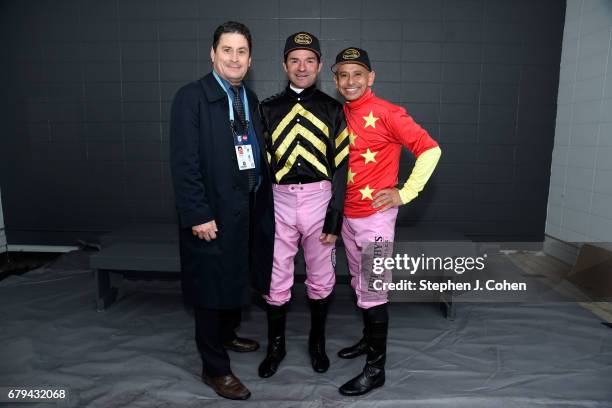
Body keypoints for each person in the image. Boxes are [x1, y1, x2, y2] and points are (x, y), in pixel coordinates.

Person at [169, 21, 274, 401]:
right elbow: (184, 163)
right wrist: (197, 213)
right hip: (210, 212)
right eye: (226, 50)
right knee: (210, 287)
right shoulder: (191, 97)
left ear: (250, 59)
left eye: (241, 51)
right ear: (212, 54)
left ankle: (226, 335)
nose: (234, 58)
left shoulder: (249, 97)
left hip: (245, 208)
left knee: (235, 275)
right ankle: (214, 368)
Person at [331, 47, 442, 396]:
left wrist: (404, 193)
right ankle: (367, 341)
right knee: (361, 284)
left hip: (376, 218)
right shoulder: (339, 114)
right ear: (335, 80)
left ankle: (375, 369)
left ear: (371, 77)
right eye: (343, 75)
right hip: (348, 216)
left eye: (358, 74)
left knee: (374, 288)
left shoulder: (387, 112)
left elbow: (431, 149)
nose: (351, 81)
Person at [258, 32, 349, 378]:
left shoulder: (333, 108)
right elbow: (262, 166)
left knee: (322, 276)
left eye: (309, 60)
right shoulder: (266, 109)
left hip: (319, 199)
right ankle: (275, 347)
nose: (302, 67)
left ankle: (317, 343)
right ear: (284, 65)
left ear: (320, 66)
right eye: (294, 60)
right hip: (279, 199)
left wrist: (334, 216)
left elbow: (342, 166)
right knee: (275, 277)